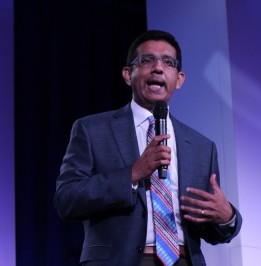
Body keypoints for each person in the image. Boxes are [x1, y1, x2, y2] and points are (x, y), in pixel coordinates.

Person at [54, 30, 242, 266]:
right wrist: (132, 174)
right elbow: (66, 199)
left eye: (168, 62)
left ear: (180, 79)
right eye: (146, 60)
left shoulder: (202, 147)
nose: (158, 68)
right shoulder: (92, 130)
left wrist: (227, 217)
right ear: (127, 74)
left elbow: (210, 231)